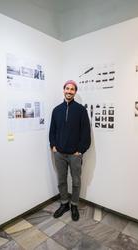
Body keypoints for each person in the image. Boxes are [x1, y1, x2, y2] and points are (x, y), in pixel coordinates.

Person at [49, 80, 91, 221]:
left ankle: (74, 205)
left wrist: (80, 150)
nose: (69, 91)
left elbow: (86, 132)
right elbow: (52, 131)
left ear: (75, 92)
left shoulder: (81, 110)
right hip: (59, 153)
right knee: (61, 180)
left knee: (76, 181)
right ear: (63, 90)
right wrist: (53, 146)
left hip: (75, 154)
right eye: (67, 88)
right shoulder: (56, 110)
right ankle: (64, 203)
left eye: (72, 89)